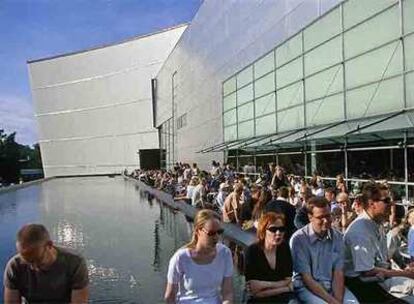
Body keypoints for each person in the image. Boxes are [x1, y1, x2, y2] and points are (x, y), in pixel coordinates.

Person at [344, 182, 414, 303]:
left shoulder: (377, 223)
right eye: (386, 200)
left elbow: (382, 260)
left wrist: (406, 269)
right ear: (372, 204)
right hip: (362, 284)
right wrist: (405, 273)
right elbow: (367, 271)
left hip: (379, 277)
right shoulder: (360, 230)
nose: (391, 204)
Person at [290, 197, 358, 304]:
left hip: (331, 285)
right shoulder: (299, 239)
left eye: (328, 216)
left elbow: (338, 273)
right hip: (307, 288)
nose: (326, 221)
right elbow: (307, 278)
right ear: (310, 217)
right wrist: (332, 301)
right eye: (320, 217)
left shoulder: (338, 237)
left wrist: (338, 300)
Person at [3, 224, 89, 304]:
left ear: (49, 245)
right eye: (27, 261)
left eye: (37, 260)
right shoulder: (14, 266)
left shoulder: (75, 263)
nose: (33, 267)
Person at [164, 209, 234, 303]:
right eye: (211, 233)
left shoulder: (225, 253)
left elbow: (227, 292)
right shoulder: (180, 258)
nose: (216, 237)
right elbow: (170, 296)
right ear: (198, 231)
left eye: (219, 232)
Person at [244, 212, 295, 303]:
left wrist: (264, 285)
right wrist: (286, 287)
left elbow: (289, 279)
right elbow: (255, 292)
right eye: (273, 229)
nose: (278, 233)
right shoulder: (252, 251)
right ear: (263, 231)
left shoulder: (284, 248)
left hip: (283, 297)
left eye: (281, 229)